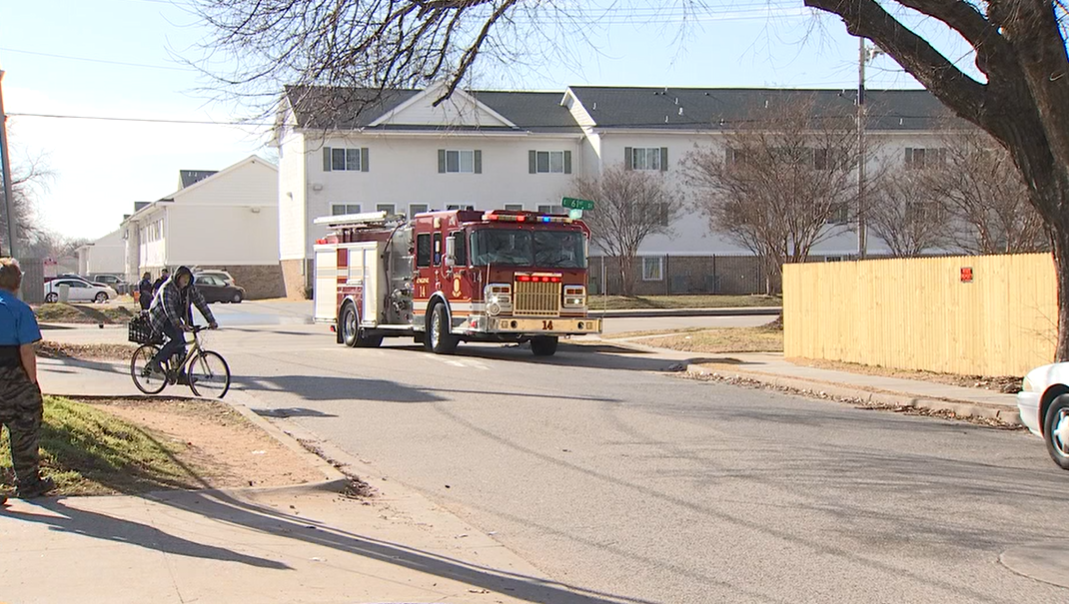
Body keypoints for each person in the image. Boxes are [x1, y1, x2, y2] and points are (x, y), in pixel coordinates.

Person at [0, 258, 55, 502]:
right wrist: (31, 381)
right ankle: (27, 482)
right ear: (17, 282)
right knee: (24, 427)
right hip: (13, 375)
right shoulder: (20, 309)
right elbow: (26, 350)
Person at [148, 266, 217, 381]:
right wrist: (179, 324)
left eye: (188, 278)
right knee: (177, 339)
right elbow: (168, 309)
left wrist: (211, 320)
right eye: (183, 278)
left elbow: (200, 302)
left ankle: (180, 374)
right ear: (177, 278)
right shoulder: (168, 288)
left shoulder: (189, 288)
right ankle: (156, 361)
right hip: (160, 318)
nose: (186, 281)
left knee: (182, 345)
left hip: (174, 317)